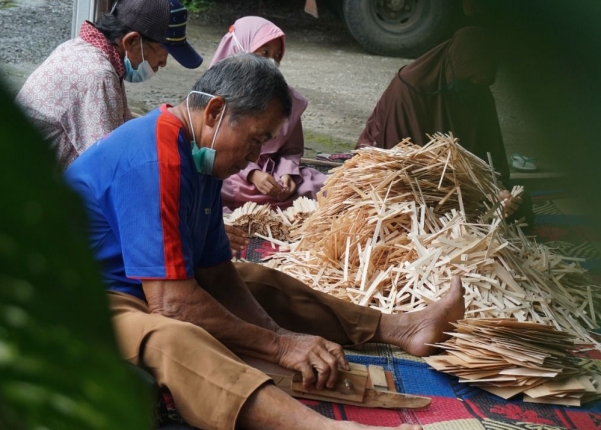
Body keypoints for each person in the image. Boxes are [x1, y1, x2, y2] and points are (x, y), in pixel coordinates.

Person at [65, 53, 464, 430]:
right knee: (174, 336)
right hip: (80, 301)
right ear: (217, 111)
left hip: (139, 286)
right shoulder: (154, 158)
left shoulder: (201, 156)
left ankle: (400, 329)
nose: (256, 156)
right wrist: (278, 348)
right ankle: (317, 427)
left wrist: (282, 338)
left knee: (255, 279)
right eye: (257, 140)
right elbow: (172, 303)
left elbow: (217, 274)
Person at [356, 27, 533, 224]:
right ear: (456, 64)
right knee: (394, 217)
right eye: (470, 77)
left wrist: (497, 191)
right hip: (410, 181)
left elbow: (491, 159)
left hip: (461, 186)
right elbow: (393, 163)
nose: (476, 83)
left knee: (519, 210)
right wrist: (443, 189)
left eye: (482, 81)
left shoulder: (478, 92)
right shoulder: (409, 88)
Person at [16, 0, 202, 169]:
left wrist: (173, 132)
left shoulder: (81, 48)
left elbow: (123, 123)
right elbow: (109, 163)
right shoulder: (97, 75)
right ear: (132, 41)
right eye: (164, 53)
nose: (163, 63)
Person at [211, 16, 327, 211]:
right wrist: (252, 174)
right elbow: (214, 147)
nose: (271, 63)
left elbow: (291, 150)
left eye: (277, 56)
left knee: (322, 184)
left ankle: (271, 201)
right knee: (213, 185)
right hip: (233, 173)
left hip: (273, 176)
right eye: (264, 53)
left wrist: (286, 174)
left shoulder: (284, 99)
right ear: (241, 50)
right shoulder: (217, 96)